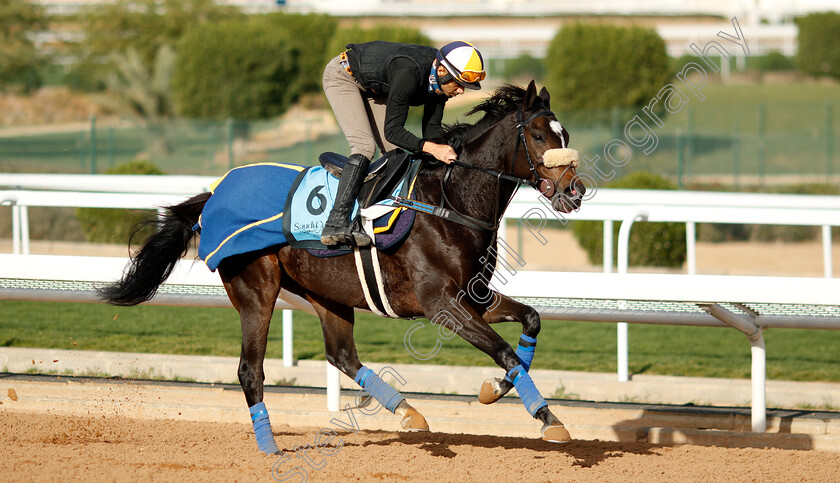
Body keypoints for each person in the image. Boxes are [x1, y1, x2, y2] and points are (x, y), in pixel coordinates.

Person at [320, 40, 486, 246]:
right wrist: (433, 148)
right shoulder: (410, 72)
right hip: (343, 76)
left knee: (396, 155)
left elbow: (432, 130)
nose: (461, 91)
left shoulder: (440, 81)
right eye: (459, 84)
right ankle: (336, 222)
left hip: (376, 88)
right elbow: (393, 131)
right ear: (442, 70)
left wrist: (449, 150)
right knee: (365, 146)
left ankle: (368, 217)